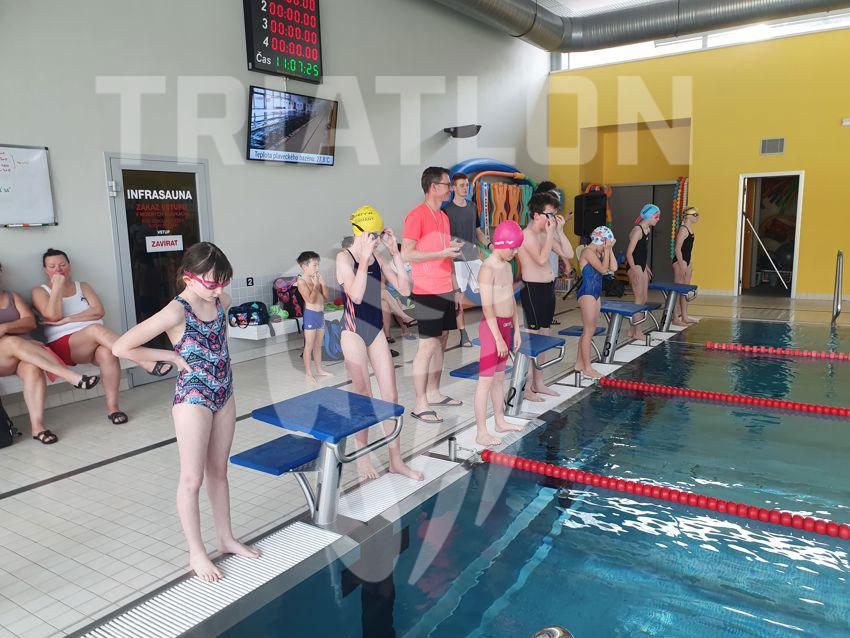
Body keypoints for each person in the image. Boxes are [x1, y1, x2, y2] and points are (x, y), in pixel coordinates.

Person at [112, 242, 260, 582]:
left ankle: (226, 538)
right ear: (189, 277)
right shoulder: (175, 311)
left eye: (224, 282)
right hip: (193, 397)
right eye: (213, 283)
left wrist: (217, 292)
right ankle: (196, 552)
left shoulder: (220, 301)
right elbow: (121, 346)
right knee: (192, 478)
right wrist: (170, 356)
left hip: (225, 391)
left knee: (219, 471)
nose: (220, 290)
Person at [31, 249, 172, 425]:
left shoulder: (82, 286)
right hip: (64, 345)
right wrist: (57, 287)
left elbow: (99, 311)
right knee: (95, 329)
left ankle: (113, 408)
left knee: (107, 353)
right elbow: (53, 316)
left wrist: (69, 319)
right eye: (52, 266)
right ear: (45, 270)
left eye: (62, 265)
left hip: (93, 342)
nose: (58, 269)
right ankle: (144, 360)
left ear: (69, 266)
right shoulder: (40, 291)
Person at [337, 206, 424, 481]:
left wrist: (395, 253)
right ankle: (362, 457)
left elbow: (405, 289)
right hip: (352, 331)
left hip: (375, 331)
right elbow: (356, 296)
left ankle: (395, 460)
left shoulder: (377, 255)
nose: (375, 240)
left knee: (391, 396)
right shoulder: (343, 258)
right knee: (363, 395)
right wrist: (363, 260)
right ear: (358, 233)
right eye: (371, 235)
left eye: (378, 235)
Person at [0, 263, 99, 444]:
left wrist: (5, 327)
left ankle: (37, 428)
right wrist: (14, 338)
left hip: (26, 353)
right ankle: (70, 376)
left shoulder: (12, 296)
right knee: (11, 342)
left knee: (33, 370)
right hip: (3, 358)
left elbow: (30, 323)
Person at [402, 167, 464, 424]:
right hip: (426, 290)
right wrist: (440, 253)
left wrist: (456, 288)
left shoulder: (443, 216)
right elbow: (407, 253)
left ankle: (434, 392)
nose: (451, 189)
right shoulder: (416, 215)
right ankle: (420, 404)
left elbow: (446, 255)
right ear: (433, 187)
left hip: (445, 287)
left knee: (443, 338)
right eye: (448, 184)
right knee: (427, 345)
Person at [517, 192, 574, 402]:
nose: (552, 219)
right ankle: (525, 388)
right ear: (536, 215)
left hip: (548, 288)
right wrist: (551, 234)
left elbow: (568, 254)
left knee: (545, 336)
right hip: (533, 290)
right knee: (532, 340)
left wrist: (560, 231)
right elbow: (541, 260)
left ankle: (538, 382)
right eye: (549, 215)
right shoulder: (527, 235)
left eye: (554, 215)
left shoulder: (545, 233)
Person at [474, 221, 524, 446]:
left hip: (505, 328)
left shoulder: (506, 265)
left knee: (499, 380)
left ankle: (500, 420)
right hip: (491, 331)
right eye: (512, 247)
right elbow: (487, 308)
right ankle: (481, 432)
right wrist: (497, 339)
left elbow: (510, 298)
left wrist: (517, 330)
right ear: (502, 243)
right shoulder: (488, 269)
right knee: (485, 383)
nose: (515, 252)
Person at [444, 172, 487, 348]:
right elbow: (443, 239)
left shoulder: (472, 207)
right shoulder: (446, 211)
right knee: (459, 298)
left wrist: (489, 245)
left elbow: (478, 232)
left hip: (474, 257)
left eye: (467, 185)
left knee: (487, 291)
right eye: (461, 185)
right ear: (453, 188)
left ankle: (490, 328)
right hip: (457, 260)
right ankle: (463, 334)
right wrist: (451, 245)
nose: (465, 188)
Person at [575, 227, 617, 379]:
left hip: (596, 294)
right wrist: (607, 249)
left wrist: (609, 249)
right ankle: (587, 368)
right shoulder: (587, 252)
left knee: (589, 330)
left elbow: (614, 267)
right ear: (600, 241)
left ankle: (579, 364)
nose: (604, 249)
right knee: (589, 330)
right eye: (604, 245)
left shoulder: (599, 252)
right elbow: (604, 270)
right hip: (586, 293)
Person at [625, 204, 660, 340]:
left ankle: (632, 329)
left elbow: (641, 251)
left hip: (641, 265)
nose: (658, 219)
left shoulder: (647, 230)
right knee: (639, 299)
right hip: (634, 266)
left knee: (644, 299)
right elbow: (629, 253)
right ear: (648, 216)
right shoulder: (638, 231)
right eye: (656, 216)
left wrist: (646, 266)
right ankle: (638, 332)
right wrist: (635, 270)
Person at [296, 251, 332, 382]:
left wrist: (323, 283)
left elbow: (326, 296)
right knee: (309, 346)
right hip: (311, 315)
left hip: (320, 314)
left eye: (318, 265)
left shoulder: (316, 277)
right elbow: (310, 300)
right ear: (305, 266)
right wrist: (316, 285)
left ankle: (319, 370)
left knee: (318, 345)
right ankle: (308, 373)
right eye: (315, 265)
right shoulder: (301, 281)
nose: (317, 268)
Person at [672, 206, 699, 326]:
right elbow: (677, 249)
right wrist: (682, 264)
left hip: (686, 261)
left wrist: (688, 263)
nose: (697, 217)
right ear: (688, 216)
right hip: (680, 261)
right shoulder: (683, 230)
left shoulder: (689, 229)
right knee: (678, 291)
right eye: (695, 215)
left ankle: (685, 316)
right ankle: (675, 318)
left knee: (685, 291)